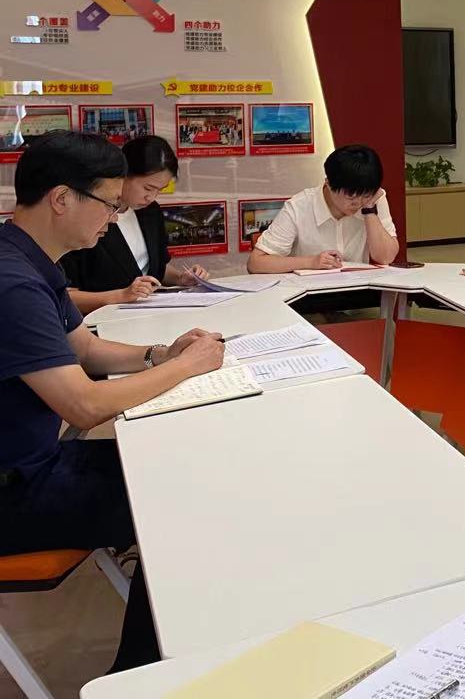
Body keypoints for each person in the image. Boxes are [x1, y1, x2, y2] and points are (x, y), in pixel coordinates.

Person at [0, 132, 225, 673]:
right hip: (16, 489)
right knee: (184, 502)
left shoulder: (30, 258)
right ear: (61, 199)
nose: (115, 217)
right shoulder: (13, 283)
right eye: (109, 203)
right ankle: (138, 677)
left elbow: (85, 348)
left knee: (181, 471)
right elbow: (83, 406)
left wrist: (159, 354)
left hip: (35, 465)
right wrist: (184, 368)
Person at [62, 135, 211, 313]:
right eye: (148, 188)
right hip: (102, 318)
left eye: (159, 190)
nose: (151, 197)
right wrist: (120, 296)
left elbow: (154, 269)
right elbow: (63, 295)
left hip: (150, 314)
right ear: (124, 174)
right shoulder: (87, 216)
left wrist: (181, 278)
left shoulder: (150, 212)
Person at [247, 143, 399, 272]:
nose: (358, 203)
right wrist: (311, 262)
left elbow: (385, 257)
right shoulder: (300, 206)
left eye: (365, 195)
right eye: (351, 196)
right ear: (329, 184)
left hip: (357, 291)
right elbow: (256, 263)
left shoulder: (372, 200)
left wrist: (369, 210)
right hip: (309, 293)